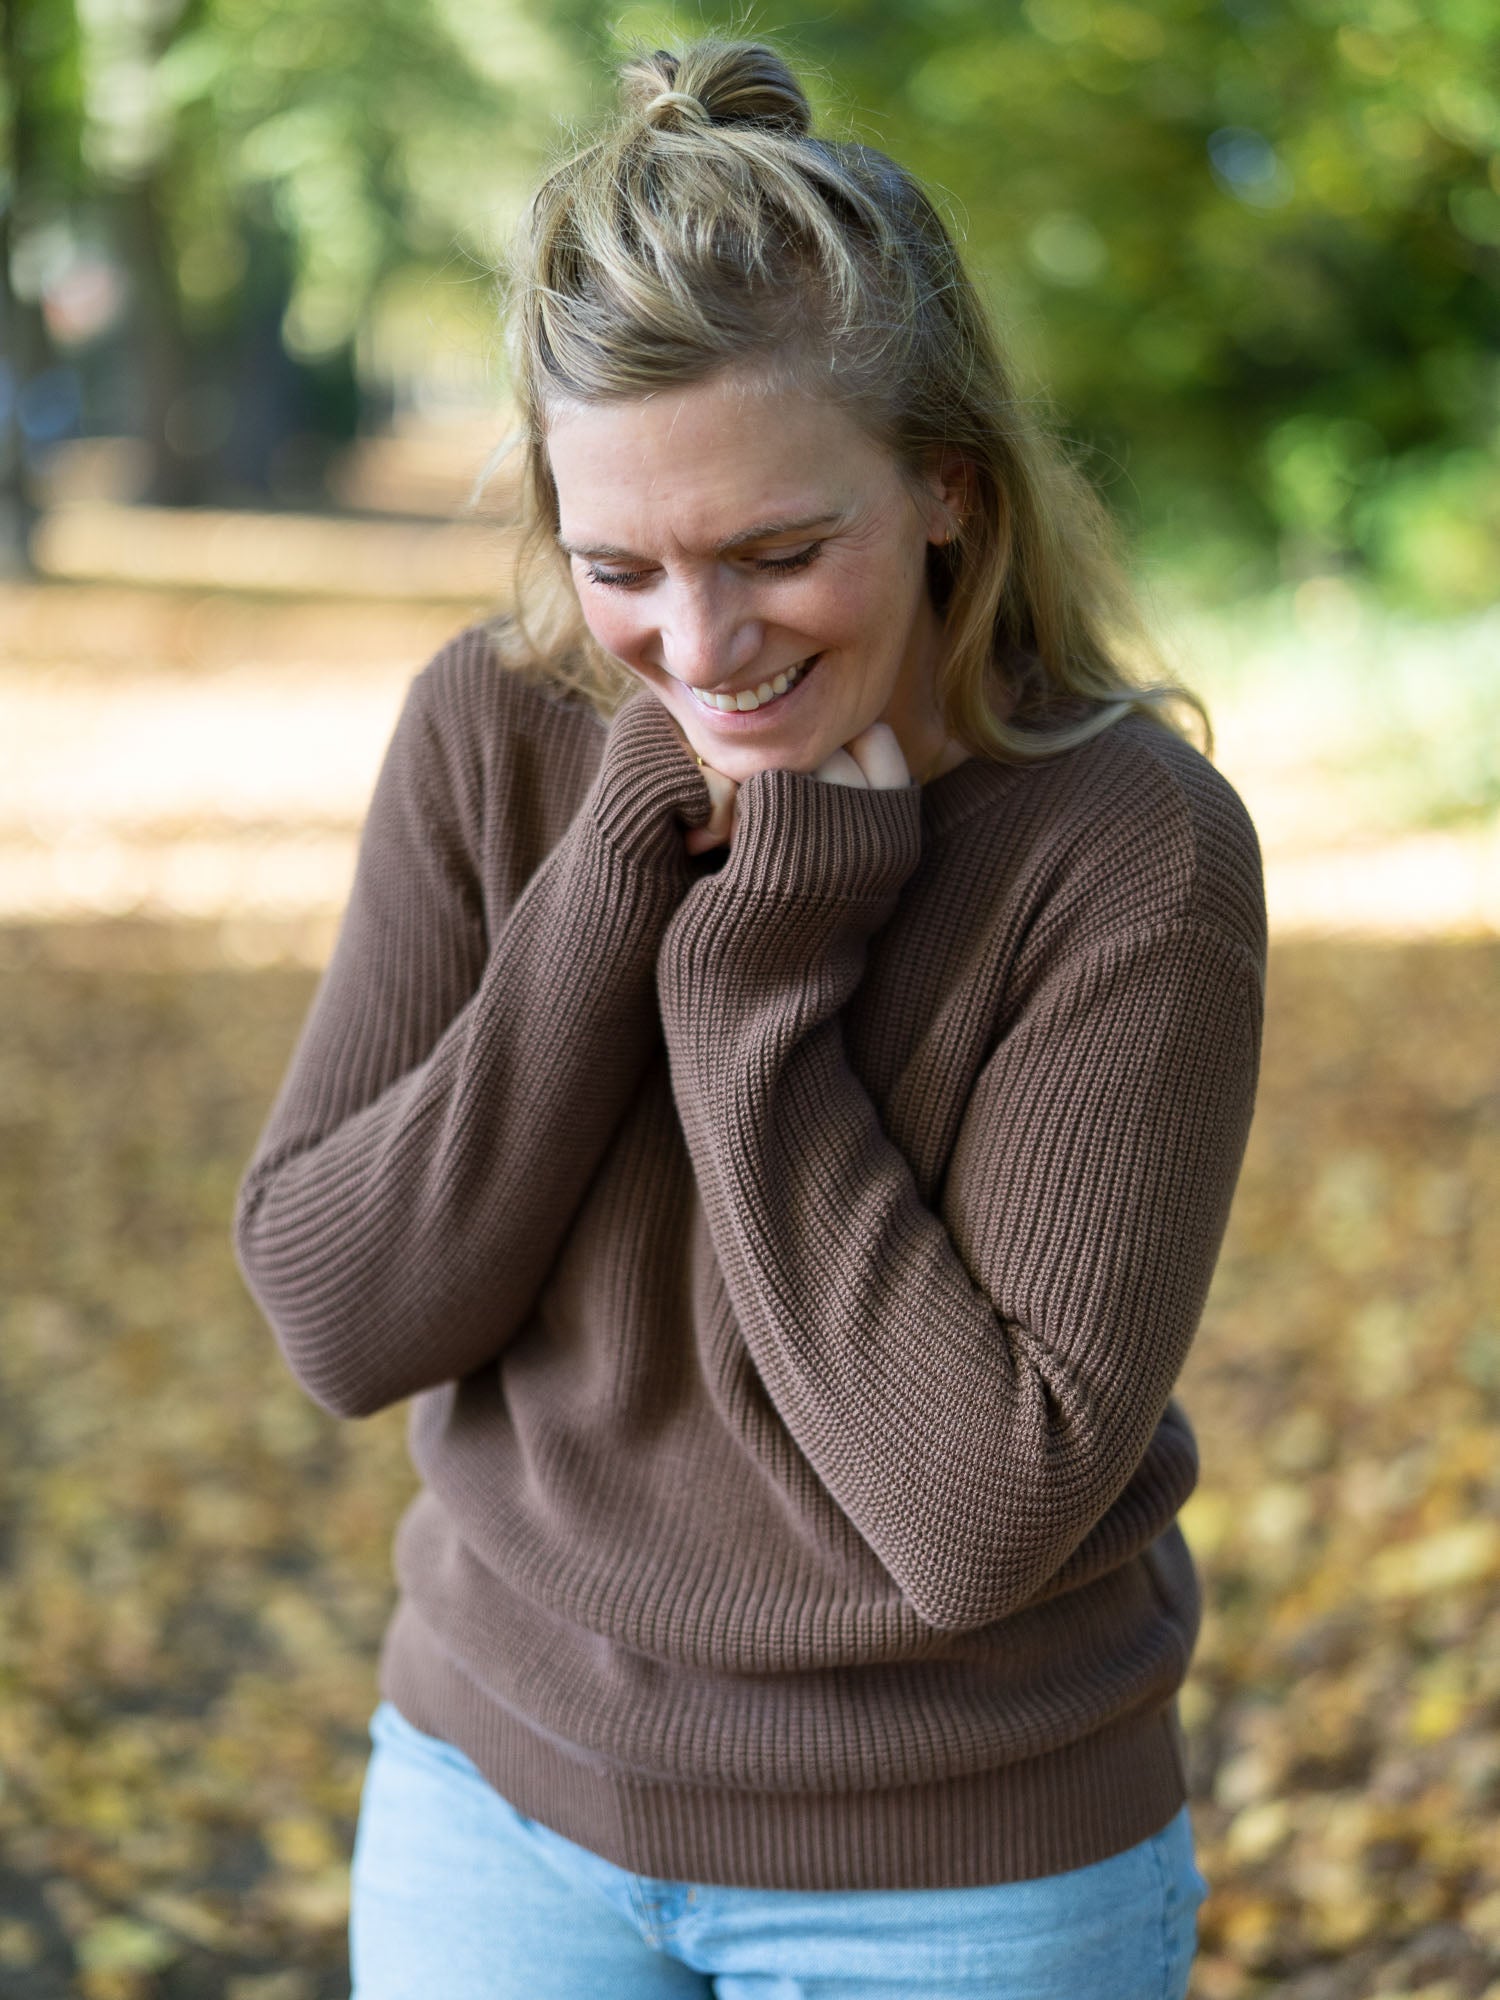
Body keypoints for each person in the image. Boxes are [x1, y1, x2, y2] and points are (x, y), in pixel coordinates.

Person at [232, 35, 1266, 2000]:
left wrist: (756, 984)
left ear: (949, 490)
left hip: (953, 1880)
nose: (700, 652)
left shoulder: (1130, 850)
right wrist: (625, 860)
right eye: (621, 568)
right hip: (491, 1800)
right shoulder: (497, 729)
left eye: (780, 555)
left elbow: (984, 1515)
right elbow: (339, 1311)